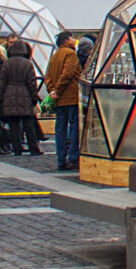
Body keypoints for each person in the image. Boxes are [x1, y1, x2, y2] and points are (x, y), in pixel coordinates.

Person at [0, 38, 43, 155]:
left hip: (9, 95)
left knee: (13, 125)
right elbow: (32, 82)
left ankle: (17, 149)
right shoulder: (27, 64)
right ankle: (33, 149)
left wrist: (0, 98)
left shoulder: (6, 63)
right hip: (24, 94)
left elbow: (2, 82)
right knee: (28, 125)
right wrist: (34, 97)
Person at [45, 32, 82, 171]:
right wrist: (58, 90)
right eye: (73, 38)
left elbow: (47, 76)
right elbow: (68, 73)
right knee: (74, 127)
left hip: (59, 99)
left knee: (60, 128)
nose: (74, 40)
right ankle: (72, 158)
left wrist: (52, 91)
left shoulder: (55, 56)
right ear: (66, 40)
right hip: (70, 97)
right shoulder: (70, 54)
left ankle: (61, 159)